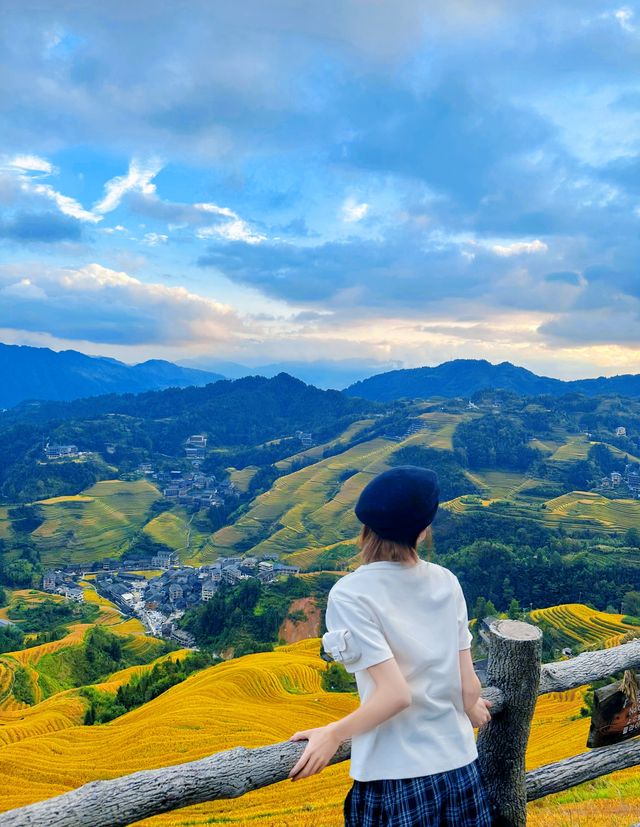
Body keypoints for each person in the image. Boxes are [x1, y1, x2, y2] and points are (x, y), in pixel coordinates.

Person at [287, 465, 494, 826]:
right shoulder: (446, 581)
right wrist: (470, 705)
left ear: (366, 528)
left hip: (396, 777)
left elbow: (395, 695)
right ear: (423, 529)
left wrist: (332, 733)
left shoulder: (351, 594)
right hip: (460, 769)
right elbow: (467, 688)